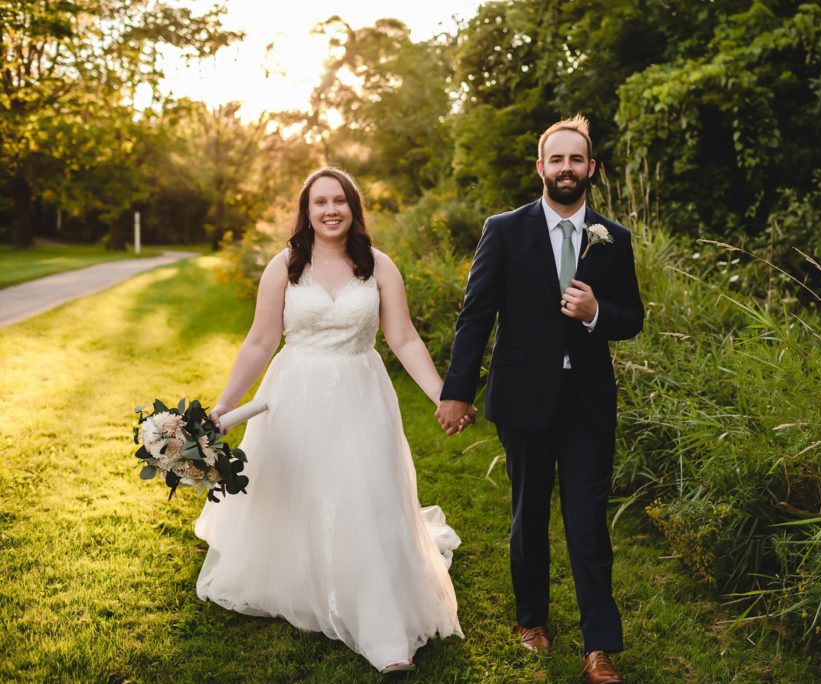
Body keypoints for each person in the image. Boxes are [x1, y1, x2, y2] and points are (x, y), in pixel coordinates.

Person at [194, 167, 466, 674]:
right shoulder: (285, 265)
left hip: (362, 393)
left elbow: (403, 338)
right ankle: (308, 577)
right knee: (302, 491)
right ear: (307, 210)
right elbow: (260, 341)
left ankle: (386, 634)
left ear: (353, 207)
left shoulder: (378, 265)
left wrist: (440, 394)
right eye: (320, 202)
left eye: (339, 200)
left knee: (364, 493)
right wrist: (225, 406)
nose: (330, 210)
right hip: (295, 393)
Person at [435, 115, 644, 684]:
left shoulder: (613, 238)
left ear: (591, 169)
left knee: (587, 523)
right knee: (529, 516)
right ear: (541, 168)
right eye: (558, 160)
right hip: (524, 399)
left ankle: (599, 646)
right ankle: (532, 620)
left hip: (589, 406)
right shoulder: (504, 229)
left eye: (577, 160)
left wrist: (596, 312)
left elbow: (632, 318)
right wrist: (457, 391)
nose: (567, 169)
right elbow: (476, 315)